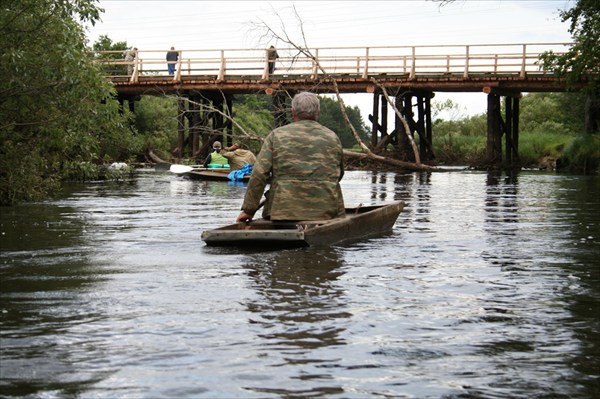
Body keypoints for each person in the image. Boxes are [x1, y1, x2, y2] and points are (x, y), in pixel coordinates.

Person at [237, 92, 345, 223]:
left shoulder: (276, 136)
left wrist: (248, 210)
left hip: (282, 212)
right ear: (318, 112)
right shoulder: (333, 138)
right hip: (327, 212)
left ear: (293, 112)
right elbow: (338, 175)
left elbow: (259, 174)